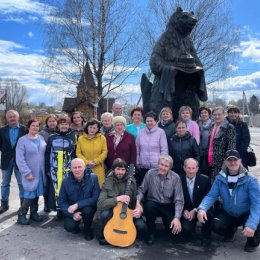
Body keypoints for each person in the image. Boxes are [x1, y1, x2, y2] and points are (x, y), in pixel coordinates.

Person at [197, 150, 260, 253]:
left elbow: (257, 204)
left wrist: (251, 224)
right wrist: (202, 208)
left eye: (235, 160)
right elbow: (211, 196)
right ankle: (230, 231)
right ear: (225, 162)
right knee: (215, 225)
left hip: (245, 213)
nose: (232, 163)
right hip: (228, 212)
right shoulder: (220, 178)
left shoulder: (251, 180)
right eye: (229, 160)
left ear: (240, 161)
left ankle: (252, 242)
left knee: (256, 224)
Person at [136, 155, 184, 245]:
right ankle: (151, 232)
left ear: (170, 167)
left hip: (168, 205)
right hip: (153, 204)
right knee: (149, 206)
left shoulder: (176, 178)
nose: (163, 168)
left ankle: (167, 227)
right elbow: (141, 190)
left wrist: (177, 218)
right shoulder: (150, 173)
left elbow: (179, 199)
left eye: (166, 166)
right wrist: (138, 203)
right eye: (161, 164)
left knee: (173, 233)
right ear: (158, 164)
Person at [97, 158, 144, 245]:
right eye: (118, 169)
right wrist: (117, 199)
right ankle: (106, 235)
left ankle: (128, 236)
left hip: (127, 213)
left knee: (141, 225)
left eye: (123, 170)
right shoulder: (107, 181)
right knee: (104, 214)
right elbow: (100, 204)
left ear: (126, 170)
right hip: (112, 211)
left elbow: (137, 199)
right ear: (113, 169)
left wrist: (139, 208)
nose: (120, 172)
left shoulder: (132, 182)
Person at [58, 158, 100, 241]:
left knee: (88, 210)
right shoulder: (65, 181)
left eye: (80, 167)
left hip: (87, 207)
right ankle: (76, 227)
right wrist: (72, 214)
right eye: (75, 167)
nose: (77, 170)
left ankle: (87, 229)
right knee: (69, 227)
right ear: (71, 169)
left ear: (84, 167)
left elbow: (96, 198)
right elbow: (61, 201)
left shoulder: (93, 178)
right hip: (72, 210)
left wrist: (77, 205)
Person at [16, 119, 46, 225]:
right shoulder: (22, 140)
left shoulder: (41, 138)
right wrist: (26, 172)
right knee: (29, 194)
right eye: (33, 125)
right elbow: (19, 159)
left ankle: (34, 214)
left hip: (40, 173)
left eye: (37, 126)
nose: (35, 128)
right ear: (28, 127)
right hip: (30, 173)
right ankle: (21, 215)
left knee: (36, 194)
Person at [45, 116, 77, 216]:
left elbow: (76, 153)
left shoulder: (73, 136)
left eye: (66, 124)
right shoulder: (52, 137)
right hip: (55, 169)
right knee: (56, 190)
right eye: (62, 124)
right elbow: (47, 153)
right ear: (58, 125)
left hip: (68, 169)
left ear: (69, 125)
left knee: (68, 189)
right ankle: (59, 210)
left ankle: (68, 209)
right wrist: (47, 169)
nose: (64, 126)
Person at [180, 158, 211, 246]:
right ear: (184, 168)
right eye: (188, 168)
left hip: (200, 208)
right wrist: (183, 210)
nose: (191, 171)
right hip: (187, 211)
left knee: (207, 213)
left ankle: (205, 236)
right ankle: (191, 230)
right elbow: (177, 198)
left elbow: (207, 199)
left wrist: (197, 209)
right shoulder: (179, 180)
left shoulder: (205, 180)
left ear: (197, 169)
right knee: (186, 230)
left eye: (193, 168)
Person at [0, 110, 26, 214]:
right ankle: (4, 204)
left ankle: (23, 205)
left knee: (21, 183)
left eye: (14, 116)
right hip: (6, 160)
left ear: (18, 117)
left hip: (20, 161)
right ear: (7, 119)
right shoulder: (2, 130)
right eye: (10, 117)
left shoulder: (24, 129)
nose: (12, 118)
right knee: (5, 183)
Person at [136, 111, 168, 185]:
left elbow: (164, 149)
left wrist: (162, 163)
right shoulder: (141, 132)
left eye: (151, 121)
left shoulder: (161, 132)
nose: (149, 123)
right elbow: (137, 148)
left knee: (155, 186)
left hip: (157, 166)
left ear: (156, 121)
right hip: (143, 165)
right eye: (147, 121)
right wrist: (137, 161)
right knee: (143, 186)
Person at [76, 119, 108, 188]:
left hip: (98, 168)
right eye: (90, 127)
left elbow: (105, 152)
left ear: (97, 129)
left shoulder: (102, 138)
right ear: (87, 127)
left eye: (94, 128)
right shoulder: (80, 139)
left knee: (99, 188)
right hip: (84, 168)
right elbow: (78, 152)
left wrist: (96, 161)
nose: (92, 130)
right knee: (86, 188)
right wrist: (87, 162)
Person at [208, 106, 236, 180]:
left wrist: (227, 161)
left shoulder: (229, 127)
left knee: (222, 182)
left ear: (224, 115)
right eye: (215, 115)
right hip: (211, 159)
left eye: (219, 114)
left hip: (222, 161)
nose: (217, 116)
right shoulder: (212, 126)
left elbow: (231, 147)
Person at [39, 113, 58, 212]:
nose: (52, 123)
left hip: (57, 161)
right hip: (46, 160)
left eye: (54, 121)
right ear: (47, 123)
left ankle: (56, 204)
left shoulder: (59, 132)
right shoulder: (42, 133)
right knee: (46, 183)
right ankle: (46, 204)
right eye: (50, 121)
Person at [197, 106, 212, 176]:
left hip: (210, 151)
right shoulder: (197, 124)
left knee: (209, 171)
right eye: (202, 113)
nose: (203, 114)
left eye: (205, 112)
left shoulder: (213, 124)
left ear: (209, 114)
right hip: (199, 151)